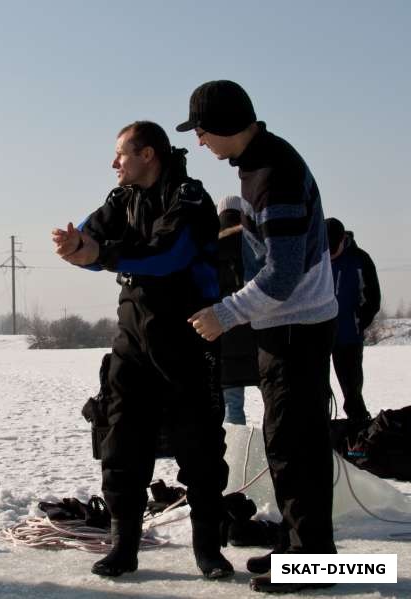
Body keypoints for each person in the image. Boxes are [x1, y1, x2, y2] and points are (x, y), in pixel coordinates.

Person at [176, 80, 338, 593]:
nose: (199, 141)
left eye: (201, 130)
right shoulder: (257, 167)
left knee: (297, 444)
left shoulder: (274, 175)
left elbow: (282, 273)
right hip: (283, 327)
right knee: (284, 440)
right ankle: (297, 549)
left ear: (223, 125)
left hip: (296, 327)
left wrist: (225, 313)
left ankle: (316, 563)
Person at [52, 120, 232, 580]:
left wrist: (100, 253)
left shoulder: (189, 198)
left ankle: (209, 551)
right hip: (132, 342)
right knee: (121, 448)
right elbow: (93, 239)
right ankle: (123, 548)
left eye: (121, 154)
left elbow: (167, 255)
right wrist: (77, 246)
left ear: (148, 154)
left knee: (201, 453)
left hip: (189, 340)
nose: (114, 163)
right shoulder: (122, 198)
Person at [326, 217, 381, 425]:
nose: (330, 253)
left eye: (333, 248)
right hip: (318, 336)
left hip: (349, 336)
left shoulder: (360, 259)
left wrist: (358, 321)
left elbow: (373, 298)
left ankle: (359, 432)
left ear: (343, 239)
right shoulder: (315, 258)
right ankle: (323, 436)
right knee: (317, 392)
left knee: (352, 392)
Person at [216, 194, 260, 425]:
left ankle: (236, 456)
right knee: (274, 400)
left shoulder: (212, 246)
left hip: (225, 333)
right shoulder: (254, 241)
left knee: (233, 405)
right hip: (259, 334)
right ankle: (280, 451)